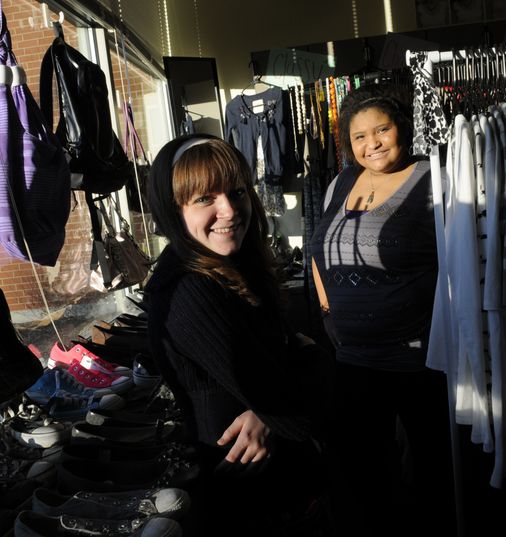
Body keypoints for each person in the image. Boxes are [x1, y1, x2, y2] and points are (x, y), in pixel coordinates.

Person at [144, 134, 333, 536]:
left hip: (279, 489)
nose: (229, 209)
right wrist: (298, 375)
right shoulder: (187, 289)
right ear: (172, 209)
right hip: (250, 501)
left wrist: (273, 402)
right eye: (204, 199)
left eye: (237, 191)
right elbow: (284, 400)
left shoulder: (229, 269)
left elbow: (278, 388)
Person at [309, 84, 455, 534]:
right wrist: (328, 307)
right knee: (360, 476)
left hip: (415, 358)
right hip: (352, 358)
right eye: (359, 136)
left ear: (401, 129)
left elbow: (457, 263)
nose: (371, 143)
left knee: (433, 475)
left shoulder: (435, 178)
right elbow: (318, 249)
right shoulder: (340, 182)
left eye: (382, 130)